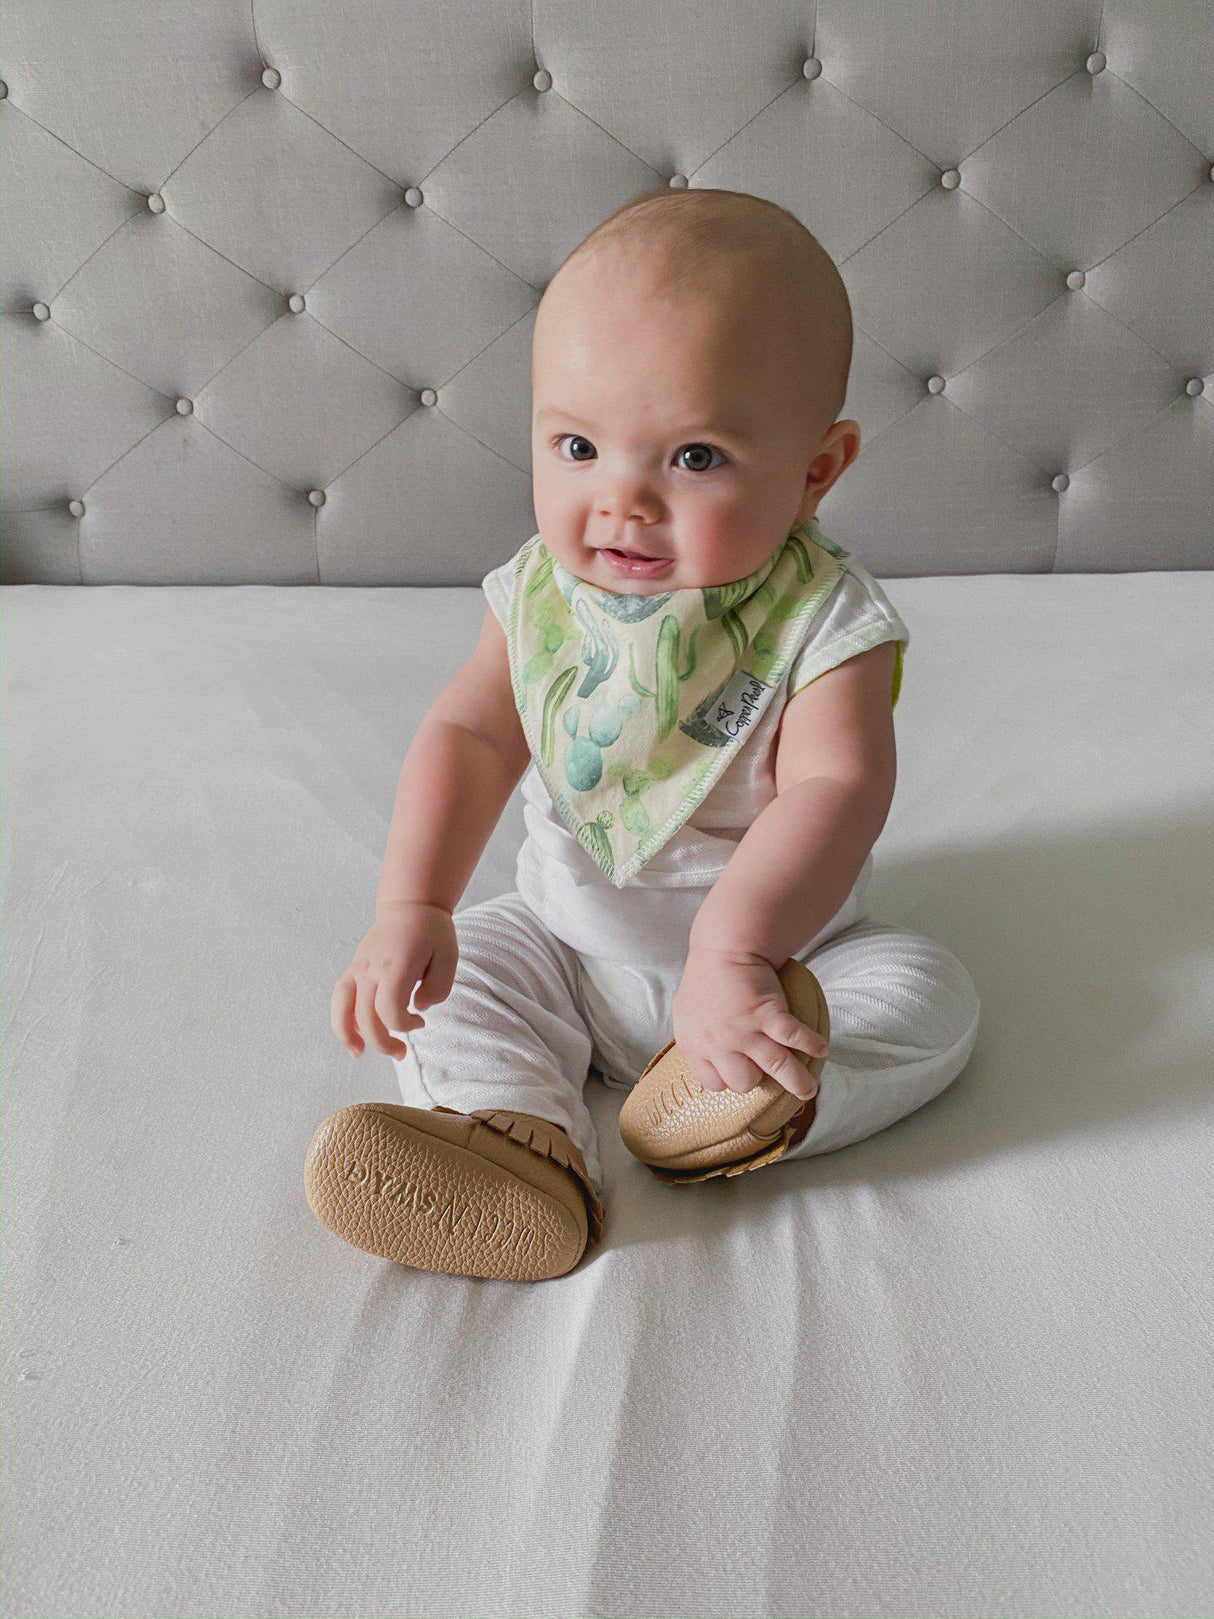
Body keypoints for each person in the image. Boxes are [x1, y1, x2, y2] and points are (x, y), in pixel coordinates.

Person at [305, 187, 981, 1283]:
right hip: (569, 943)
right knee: (456, 980)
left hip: (783, 961)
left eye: (694, 458)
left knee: (924, 992)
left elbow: (836, 788)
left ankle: (746, 1108)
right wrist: (410, 906)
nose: (619, 501)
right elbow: (472, 734)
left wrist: (737, 953)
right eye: (576, 444)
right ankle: (515, 1142)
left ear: (816, 468)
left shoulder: (820, 619)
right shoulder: (536, 591)